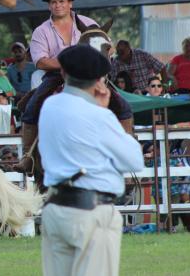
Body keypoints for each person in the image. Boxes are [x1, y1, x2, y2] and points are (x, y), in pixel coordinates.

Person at [39, 44, 143, 276]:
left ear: (63, 73)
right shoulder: (99, 115)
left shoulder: (49, 105)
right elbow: (134, 160)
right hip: (90, 212)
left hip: (55, 207)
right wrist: (103, 112)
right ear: (99, 80)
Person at [16, 0, 98, 175]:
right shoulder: (41, 31)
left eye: (62, 1)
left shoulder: (88, 23)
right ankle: (28, 156)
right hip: (56, 75)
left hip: (88, 75)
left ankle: (127, 141)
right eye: (54, 2)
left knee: (119, 102)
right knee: (32, 106)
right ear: (49, 6)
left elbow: (106, 47)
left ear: (70, 4)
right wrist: (67, 64)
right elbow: (41, 61)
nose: (58, 5)